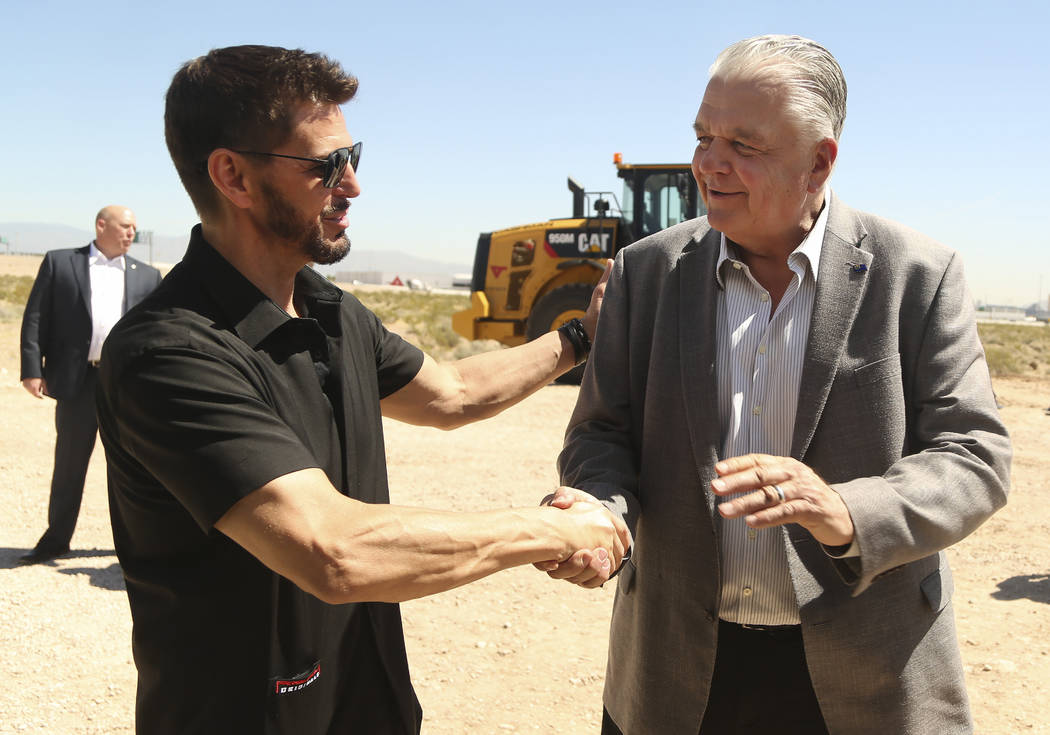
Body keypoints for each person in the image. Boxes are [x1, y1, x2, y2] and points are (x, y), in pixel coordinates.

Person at [94, 45, 627, 735]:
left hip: (366, 705)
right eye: (325, 165)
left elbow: (454, 391)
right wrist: (550, 529)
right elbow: (333, 548)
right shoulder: (167, 352)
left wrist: (579, 340)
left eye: (354, 157)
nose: (351, 186)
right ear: (233, 176)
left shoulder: (330, 311)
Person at [549, 35, 1012, 734]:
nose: (709, 164)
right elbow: (601, 433)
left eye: (744, 143)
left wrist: (847, 510)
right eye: (703, 136)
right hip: (679, 673)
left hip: (867, 677)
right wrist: (602, 515)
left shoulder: (916, 274)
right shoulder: (645, 273)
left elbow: (974, 454)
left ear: (819, 161)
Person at [18, 206, 162, 564]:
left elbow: (157, 330)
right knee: (69, 464)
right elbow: (35, 317)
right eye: (126, 227)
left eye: (134, 229)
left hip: (125, 385)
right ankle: (54, 542)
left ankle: (135, 548)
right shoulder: (59, 263)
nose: (132, 234)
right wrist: (32, 368)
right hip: (76, 380)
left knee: (130, 468)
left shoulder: (148, 276)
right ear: (102, 225)